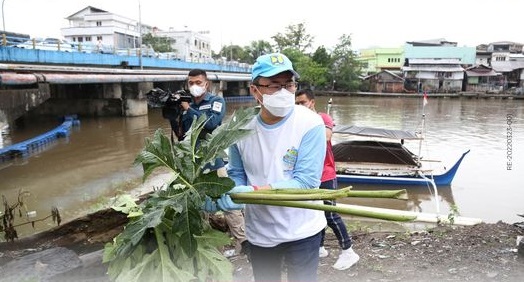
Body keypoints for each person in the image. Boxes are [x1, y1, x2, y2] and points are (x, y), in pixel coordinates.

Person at [214, 53, 328, 282]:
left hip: (303, 227)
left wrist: (253, 192)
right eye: (274, 86)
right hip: (260, 232)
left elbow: (306, 183)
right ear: (255, 91)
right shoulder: (240, 127)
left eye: (289, 85)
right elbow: (237, 173)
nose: (284, 93)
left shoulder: (310, 123)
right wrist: (229, 192)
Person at [163, 68, 247, 256]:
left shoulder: (215, 102)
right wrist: (172, 113)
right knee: (198, 208)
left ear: (206, 84)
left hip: (214, 163)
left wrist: (187, 108)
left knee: (227, 202)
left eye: (198, 83)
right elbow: (181, 135)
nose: (194, 86)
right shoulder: (185, 104)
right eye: (190, 83)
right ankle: (211, 248)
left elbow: (211, 124)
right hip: (192, 166)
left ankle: (244, 243)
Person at [295, 89, 360, 271]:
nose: (300, 106)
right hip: (308, 177)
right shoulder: (297, 122)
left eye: (303, 102)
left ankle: (348, 250)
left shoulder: (322, 118)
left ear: (312, 102)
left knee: (330, 214)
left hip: (326, 174)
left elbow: (326, 137)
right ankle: (319, 247)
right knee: (315, 212)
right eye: (296, 104)